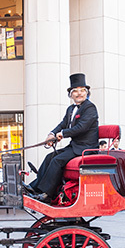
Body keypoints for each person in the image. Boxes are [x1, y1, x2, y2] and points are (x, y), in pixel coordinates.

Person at [28, 73, 99, 203]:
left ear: (87, 93)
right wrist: (51, 134)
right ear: (71, 94)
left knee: (57, 160)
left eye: (82, 91)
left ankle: (46, 194)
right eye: (75, 91)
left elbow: (82, 127)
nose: (79, 94)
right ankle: (35, 188)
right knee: (50, 157)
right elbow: (62, 124)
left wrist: (63, 134)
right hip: (75, 146)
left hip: (86, 148)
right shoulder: (71, 109)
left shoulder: (90, 108)